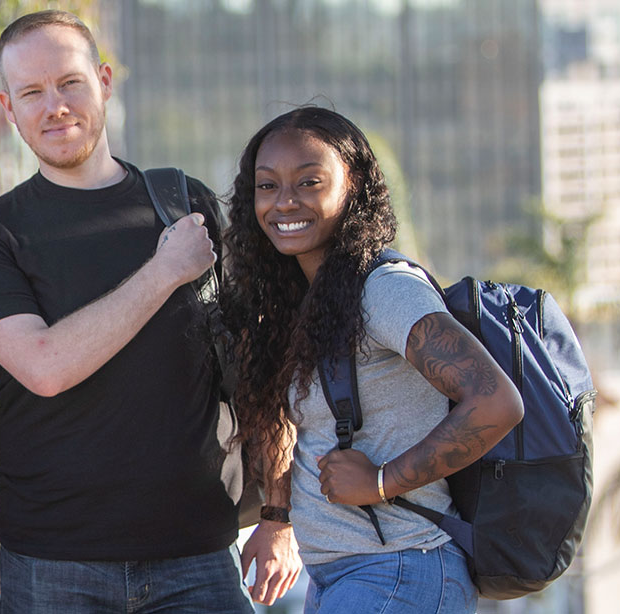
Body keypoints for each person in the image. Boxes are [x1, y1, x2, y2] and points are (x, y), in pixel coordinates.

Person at [0, 10, 301, 612]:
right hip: (55, 560)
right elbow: (45, 367)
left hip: (199, 553)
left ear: (105, 82)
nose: (54, 106)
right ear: (9, 109)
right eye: (32, 92)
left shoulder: (183, 201)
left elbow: (261, 363)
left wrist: (278, 515)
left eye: (70, 83)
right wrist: (165, 271)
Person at [220, 106, 524, 613]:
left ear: (354, 185)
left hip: (402, 570)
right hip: (347, 577)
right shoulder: (303, 294)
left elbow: (496, 402)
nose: (284, 202)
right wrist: (276, 516)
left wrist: (384, 480)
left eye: (309, 182)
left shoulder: (384, 289)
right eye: (267, 186)